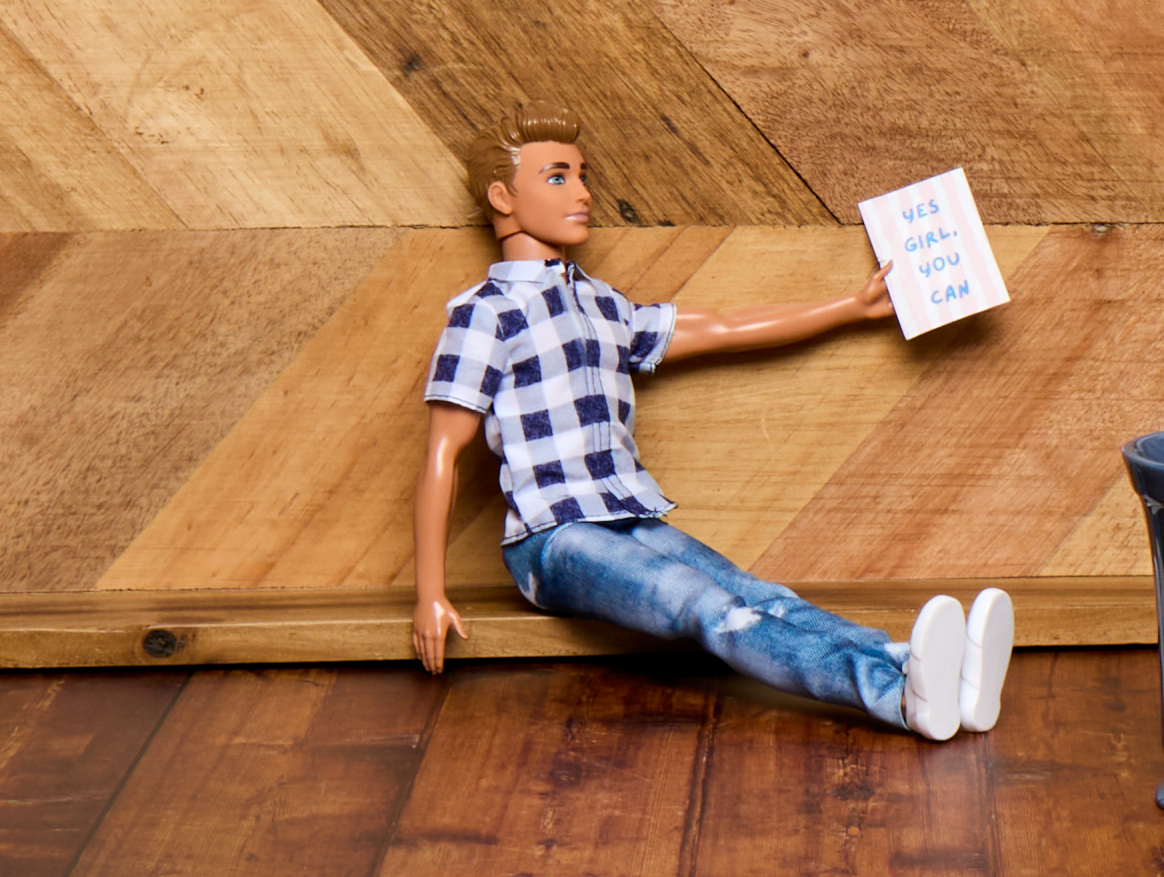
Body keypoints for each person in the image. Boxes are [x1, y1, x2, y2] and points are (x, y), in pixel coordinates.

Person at [411, 101, 1009, 741]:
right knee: (711, 610)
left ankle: (930, 676)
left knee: (761, 595)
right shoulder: (484, 314)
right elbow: (442, 455)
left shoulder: (600, 304)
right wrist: (429, 593)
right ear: (503, 197)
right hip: (550, 542)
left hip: (627, 516)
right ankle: (896, 699)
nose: (582, 193)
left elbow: (719, 327)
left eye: (583, 176)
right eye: (558, 177)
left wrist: (849, 308)